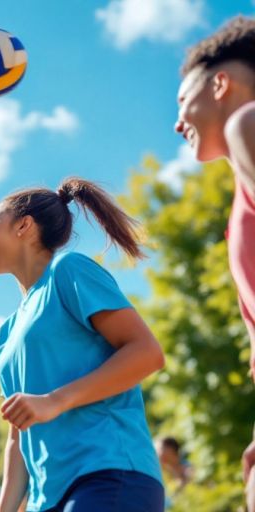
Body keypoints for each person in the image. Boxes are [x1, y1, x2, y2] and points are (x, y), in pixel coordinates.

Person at [0, 178, 165, 511]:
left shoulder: (68, 270)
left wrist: (55, 401)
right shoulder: (6, 333)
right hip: (46, 499)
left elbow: (146, 353)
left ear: (24, 225)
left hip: (107, 474)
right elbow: (18, 435)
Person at [173, 16, 255, 509]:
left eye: (183, 100)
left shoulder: (246, 124)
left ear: (220, 83)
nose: (177, 121)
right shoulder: (240, 205)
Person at [155, 436, 192, 506]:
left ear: (170, 449)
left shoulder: (187, 469)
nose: (156, 454)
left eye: (159, 449)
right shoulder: (161, 472)